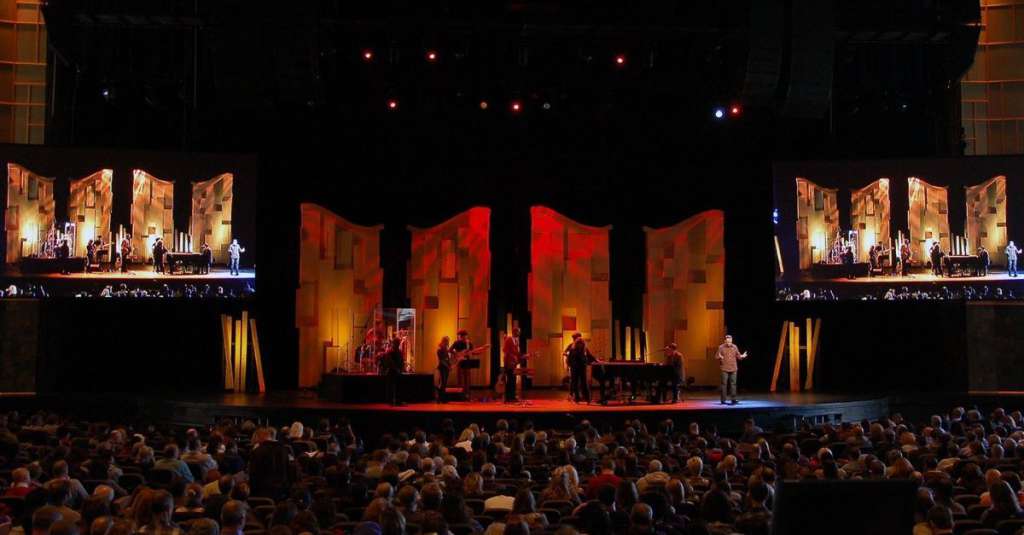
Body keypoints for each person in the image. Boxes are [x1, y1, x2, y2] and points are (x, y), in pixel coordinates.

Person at [715, 334, 748, 405]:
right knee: (724, 384)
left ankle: (733, 399)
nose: (729, 343)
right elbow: (716, 356)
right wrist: (720, 357)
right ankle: (723, 400)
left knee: (733, 384)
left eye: (730, 341)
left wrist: (742, 356)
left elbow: (738, 356)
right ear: (725, 341)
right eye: (728, 342)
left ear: (732, 341)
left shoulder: (735, 347)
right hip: (724, 368)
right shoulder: (721, 347)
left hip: (733, 368)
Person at [567, 337, 595, 403]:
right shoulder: (572, 350)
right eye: (579, 343)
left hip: (582, 368)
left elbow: (590, 356)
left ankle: (587, 398)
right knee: (575, 383)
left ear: (583, 344)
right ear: (576, 344)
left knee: (584, 383)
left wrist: (596, 360)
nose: (580, 345)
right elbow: (569, 358)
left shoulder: (584, 350)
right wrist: (570, 365)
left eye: (581, 343)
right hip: (575, 368)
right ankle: (577, 398)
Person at [502, 327, 522, 403]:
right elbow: (505, 350)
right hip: (509, 362)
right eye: (518, 332)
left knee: (513, 380)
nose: (519, 333)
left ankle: (512, 396)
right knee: (510, 380)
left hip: (514, 363)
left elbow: (516, 353)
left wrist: (521, 357)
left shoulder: (516, 341)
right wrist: (506, 363)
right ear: (514, 332)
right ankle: (508, 397)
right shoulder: (509, 339)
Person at [383, 337, 405, 406]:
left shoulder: (399, 351)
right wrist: (397, 368)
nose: (398, 344)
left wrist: (401, 368)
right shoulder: (390, 351)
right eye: (397, 343)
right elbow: (390, 362)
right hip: (392, 371)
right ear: (394, 343)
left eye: (398, 343)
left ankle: (397, 400)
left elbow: (401, 360)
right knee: (391, 387)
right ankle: (390, 401)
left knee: (398, 387)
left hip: (397, 371)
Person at [436, 336, 452, 401]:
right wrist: (448, 366)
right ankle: (440, 398)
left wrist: (449, 365)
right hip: (442, 367)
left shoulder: (446, 349)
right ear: (444, 341)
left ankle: (442, 398)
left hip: (446, 367)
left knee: (444, 383)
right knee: (442, 382)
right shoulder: (440, 349)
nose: (448, 343)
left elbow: (447, 359)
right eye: (447, 341)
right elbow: (442, 360)